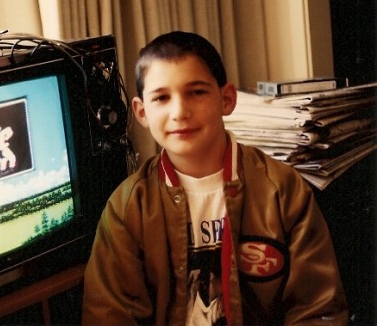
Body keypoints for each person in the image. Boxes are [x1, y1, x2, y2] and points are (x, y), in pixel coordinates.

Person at [81, 31, 348, 325]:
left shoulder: (282, 190)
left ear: (226, 99)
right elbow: (109, 316)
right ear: (142, 112)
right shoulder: (127, 208)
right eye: (162, 98)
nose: (180, 111)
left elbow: (318, 309)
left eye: (196, 92)